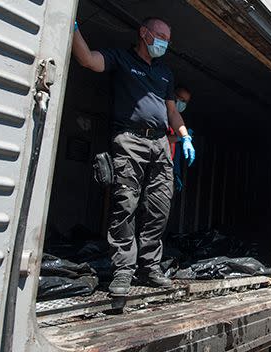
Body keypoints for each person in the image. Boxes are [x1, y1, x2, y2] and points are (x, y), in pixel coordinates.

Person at [72, 17, 195, 295]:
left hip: (161, 143)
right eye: (160, 35)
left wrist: (184, 136)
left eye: (168, 38)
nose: (165, 42)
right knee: (125, 205)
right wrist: (71, 27)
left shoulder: (165, 73)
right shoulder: (121, 58)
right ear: (144, 33)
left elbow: (173, 112)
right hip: (129, 140)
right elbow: (88, 60)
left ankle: (150, 267)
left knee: (159, 207)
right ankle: (123, 270)